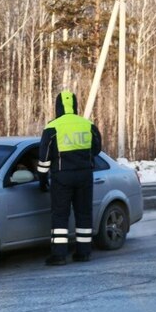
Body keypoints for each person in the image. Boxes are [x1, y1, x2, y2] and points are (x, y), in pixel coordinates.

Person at [38, 90, 102, 265]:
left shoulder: (52, 127)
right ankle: (84, 253)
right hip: (84, 176)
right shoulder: (87, 124)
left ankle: (59, 255)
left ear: (58, 106)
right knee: (83, 213)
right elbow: (96, 149)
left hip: (62, 177)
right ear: (75, 105)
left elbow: (43, 158)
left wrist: (43, 180)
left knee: (60, 215)